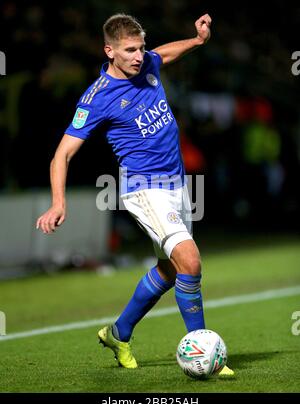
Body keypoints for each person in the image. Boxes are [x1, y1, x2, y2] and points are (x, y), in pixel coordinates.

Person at [36, 13, 234, 376]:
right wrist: (58, 202)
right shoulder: (97, 98)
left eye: (140, 47)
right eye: (129, 50)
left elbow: (164, 54)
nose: (139, 56)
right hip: (145, 189)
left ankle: (118, 332)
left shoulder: (146, 65)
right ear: (109, 50)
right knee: (190, 261)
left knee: (170, 270)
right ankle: (205, 354)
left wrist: (197, 41)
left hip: (177, 183)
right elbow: (61, 154)